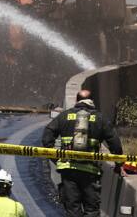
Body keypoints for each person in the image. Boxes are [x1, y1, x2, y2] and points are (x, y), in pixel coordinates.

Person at [42, 89, 123, 217]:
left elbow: (47, 138)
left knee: (73, 210)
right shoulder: (100, 119)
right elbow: (115, 144)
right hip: (90, 171)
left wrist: (57, 159)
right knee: (91, 210)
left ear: (76, 100)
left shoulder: (64, 116)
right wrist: (119, 164)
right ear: (92, 101)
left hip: (68, 171)